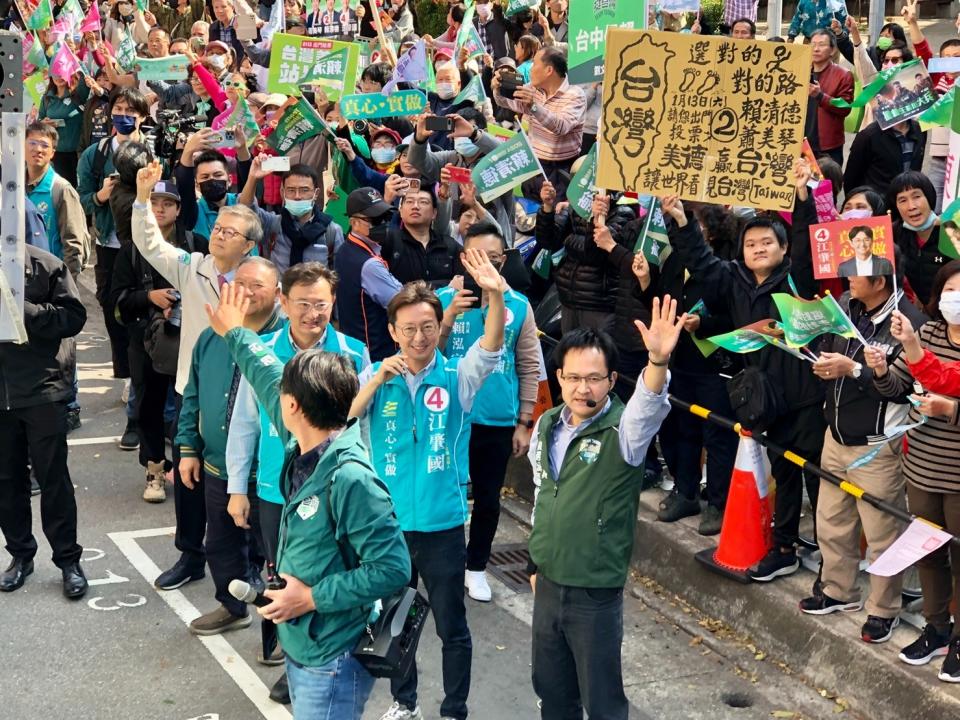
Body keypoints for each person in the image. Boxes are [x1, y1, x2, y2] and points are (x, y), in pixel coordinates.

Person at [205, 283, 410, 720]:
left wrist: (312, 598)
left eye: (283, 396)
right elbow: (267, 375)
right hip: (305, 642)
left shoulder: (351, 477)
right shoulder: (306, 435)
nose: (274, 399)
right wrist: (236, 333)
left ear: (294, 405)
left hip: (333, 655)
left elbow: (393, 569)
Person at [349, 251, 507, 720]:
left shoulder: (458, 377)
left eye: (427, 327)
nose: (418, 338)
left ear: (440, 327)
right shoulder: (376, 377)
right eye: (408, 329)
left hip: (442, 524)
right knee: (396, 622)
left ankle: (454, 709)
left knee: (450, 626)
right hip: (389, 527)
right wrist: (377, 378)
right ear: (393, 331)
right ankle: (404, 703)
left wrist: (494, 294)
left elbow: (492, 342)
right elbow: (343, 418)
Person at [526, 299, 684, 719]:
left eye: (594, 378)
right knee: (552, 693)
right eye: (574, 377)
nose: (583, 388)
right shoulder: (546, 426)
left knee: (602, 703)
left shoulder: (624, 431)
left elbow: (647, 404)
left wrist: (657, 360)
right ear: (558, 377)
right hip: (548, 584)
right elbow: (544, 495)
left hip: (594, 594)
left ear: (612, 380)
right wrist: (534, 566)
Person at [662, 195, 826, 582]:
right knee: (783, 473)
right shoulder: (732, 279)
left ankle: (828, 554)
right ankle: (784, 547)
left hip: (806, 396)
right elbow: (700, 261)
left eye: (767, 242)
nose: (758, 249)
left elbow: (806, 245)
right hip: (764, 400)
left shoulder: (795, 278)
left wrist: (802, 200)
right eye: (751, 244)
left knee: (818, 477)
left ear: (783, 248)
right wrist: (679, 221)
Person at [225, 261, 370, 700]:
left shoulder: (354, 351)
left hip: (331, 490)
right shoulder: (262, 351)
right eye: (303, 304)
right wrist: (237, 486)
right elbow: (244, 421)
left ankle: (325, 657)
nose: (313, 313)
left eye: (321, 304)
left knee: (327, 572)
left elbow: (361, 430)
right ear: (283, 303)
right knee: (279, 577)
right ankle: (292, 657)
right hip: (275, 487)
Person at [131, 159, 263, 590]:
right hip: (194, 388)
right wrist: (141, 198)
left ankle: (252, 562)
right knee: (189, 474)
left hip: (245, 391)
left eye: (230, 232)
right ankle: (191, 555)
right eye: (219, 228)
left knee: (245, 475)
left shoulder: (257, 282)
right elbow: (151, 244)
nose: (220, 234)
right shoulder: (194, 266)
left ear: (248, 246)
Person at [800, 266, 927, 645]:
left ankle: (883, 610)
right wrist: (822, 363)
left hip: (877, 445)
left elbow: (905, 388)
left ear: (880, 280)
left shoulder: (908, 323)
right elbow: (830, 350)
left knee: (882, 534)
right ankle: (838, 590)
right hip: (835, 436)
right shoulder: (845, 308)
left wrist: (852, 369)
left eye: (855, 274)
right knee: (831, 522)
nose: (847, 281)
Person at [178, 256, 284, 636]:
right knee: (220, 544)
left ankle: (279, 635)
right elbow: (192, 393)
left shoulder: (285, 340)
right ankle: (231, 605)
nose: (246, 292)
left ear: (278, 293)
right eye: (239, 283)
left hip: (271, 473)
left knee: (278, 557)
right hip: (216, 464)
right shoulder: (210, 336)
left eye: (257, 285)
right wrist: (187, 446)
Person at [437, 221, 542, 602]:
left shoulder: (517, 306)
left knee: (488, 499)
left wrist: (524, 420)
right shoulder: (441, 299)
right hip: (448, 418)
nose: (487, 267)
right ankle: (443, 564)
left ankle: (476, 566)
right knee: (446, 494)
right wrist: (446, 318)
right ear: (464, 258)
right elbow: (425, 355)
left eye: (495, 259)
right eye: (479, 258)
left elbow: (529, 365)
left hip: (496, 422)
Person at [865, 262, 960, 682]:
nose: (956, 297)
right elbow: (897, 387)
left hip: (957, 474)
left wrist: (950, 409)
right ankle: (937, 627)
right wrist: (882, 370)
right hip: (921, 465)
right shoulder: (929, 334)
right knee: (929, 553)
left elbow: (942, 381)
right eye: (951, 289)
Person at [0, 244, 87, 600]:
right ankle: (20, 555)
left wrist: (22, 310)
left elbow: (73, 317)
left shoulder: (42, 264)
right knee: (6, 481)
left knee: (53, 479)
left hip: (41, 389)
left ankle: (68, 560)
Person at [110, 179, 205, 503]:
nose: (160, 209)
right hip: (146, 343)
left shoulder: (196, 245)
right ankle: (153, 468)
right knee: (148, 407)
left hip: (189, 342)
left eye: (168, 203)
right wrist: (148, 297)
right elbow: (115, 300)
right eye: (154, 202)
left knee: (187, 409)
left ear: (179, 209)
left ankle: (186, 468)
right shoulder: (131, 251)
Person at [77, 88, 150, 418]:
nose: (124, 115)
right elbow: (82, 196)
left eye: (131, 111)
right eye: (118, 108)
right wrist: (101, 196)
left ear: (142, 117)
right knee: (111, 306)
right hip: (108, 242)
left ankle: (141, 373)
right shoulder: (95, 154)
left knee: (144, 305)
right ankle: (125, 371)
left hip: (145, 242)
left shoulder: (153, 151)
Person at [492, 46, 586, 199]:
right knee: (530, 212)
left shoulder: (575, 95)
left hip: (561, 170)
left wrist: (534, 106)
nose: (530, 69)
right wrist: (498, 89)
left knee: (554, 214)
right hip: (534, 165)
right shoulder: (533, 89)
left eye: (535, 64)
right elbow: (508, 103)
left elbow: (561, 126)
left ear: (549, 70)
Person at [334, 187, 404, 362]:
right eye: (376, 219)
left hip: (356, 348)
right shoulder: (369, 265)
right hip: (378, 355)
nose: (384, 223)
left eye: (386, 217)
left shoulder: (345, 248)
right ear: (354, 222)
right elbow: (402, 301)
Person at [239, 158, 344, 273]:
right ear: (282, 192)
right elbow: (245, 210)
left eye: (304, 190)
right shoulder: (273, 224)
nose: (297, 196)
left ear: (316, 193)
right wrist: (252, 178)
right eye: (291, 190)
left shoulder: (331, 231)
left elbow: (339, 275)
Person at [25, 123, 88, 283]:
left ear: (52, 152)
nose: (38, 149)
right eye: (32, 143)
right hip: (20, 275)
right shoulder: (13, 186)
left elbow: (73, 244)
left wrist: (65, 285)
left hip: (49, 279)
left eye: (44, 145)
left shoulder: (61, 189)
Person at [382, 187, 461, 287]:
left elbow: (465, 279)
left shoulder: (449, 245)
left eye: (423, 202)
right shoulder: (389, 241)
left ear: (434, 213)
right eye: (409, 201)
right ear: (400, 211)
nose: (415, 206)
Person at [890, 171, 947, 306]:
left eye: (916, 196)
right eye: (902, 200)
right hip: (919, 316)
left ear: (929, 197)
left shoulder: (950, 229)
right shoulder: (895, 232)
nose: (911, 206)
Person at [805, 29, 853, 168]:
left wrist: (820, 96)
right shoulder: (799, 70)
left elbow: (845, 108)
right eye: (812, 44)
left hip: (827, 147)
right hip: (800, 144)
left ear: (832, 50)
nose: (816, 49)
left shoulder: (843, 75)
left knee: (825, 188)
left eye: (821, 44)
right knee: (800, 187)